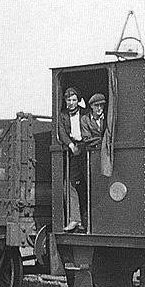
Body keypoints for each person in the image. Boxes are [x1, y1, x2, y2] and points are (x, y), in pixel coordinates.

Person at [58, 87, 86, 232]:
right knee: (70, 184)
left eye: (74, 100)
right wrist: (71, 146)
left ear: (78, 100)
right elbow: (62, 132)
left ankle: (87, 220)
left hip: (86, 148)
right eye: (69, 100)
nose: (71, 102)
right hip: (73, 149)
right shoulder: (62, 115)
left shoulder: (85, 113)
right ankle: (75, 218)